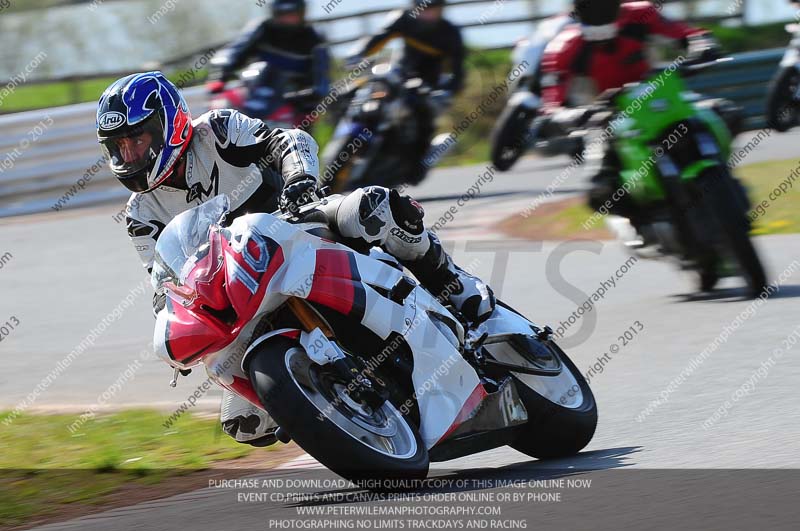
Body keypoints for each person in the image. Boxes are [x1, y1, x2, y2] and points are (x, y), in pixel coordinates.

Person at [97, 72, 495, 446]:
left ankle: (453, 285)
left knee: (372, 208)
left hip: (293, 227)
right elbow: (162, 283)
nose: (130, 154)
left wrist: (299, 179)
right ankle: (336, 404)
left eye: (137, 140)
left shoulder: (216, 131)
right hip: (234, 287)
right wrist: (177, 324)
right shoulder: (139, 215)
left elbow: (287, 142)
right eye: (119, 147)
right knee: (245, 424)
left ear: (169, 125)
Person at [539, 0, 719, 223]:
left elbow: (686, 33)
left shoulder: (642, 13)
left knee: (723, 113)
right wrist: (566, 115)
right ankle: (644, 223)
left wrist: (701, 46)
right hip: (608, 113)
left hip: (657, 94)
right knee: (600, 186)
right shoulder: (564, 46)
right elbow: (552, 101)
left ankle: (721, 181)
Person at [347, 0, 465, 183]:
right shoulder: (403, 19)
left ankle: (417, 166)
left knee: (423, 116)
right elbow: (379, 37)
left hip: (427, 85)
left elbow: (458, 69)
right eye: (425, 9)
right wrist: (359, 54)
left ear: (441, 9)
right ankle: (350, 138)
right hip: (398, 74)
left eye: (433, 9)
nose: (428, 13)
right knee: (355, 92)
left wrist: (449, 89)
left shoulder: (450, 33)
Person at [208, 0, 329, 125]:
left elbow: (322, 79)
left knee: (306, 123)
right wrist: (220, 74)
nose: (288, 19)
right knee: (220, 106)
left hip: (290, 102)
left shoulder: (314, 39)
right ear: (275, 13)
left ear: (302, 13)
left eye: (293, 14)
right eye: (284, 14)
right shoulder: (262, 28)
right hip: (252, 90)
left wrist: (310, 96)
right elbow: (233, 52)